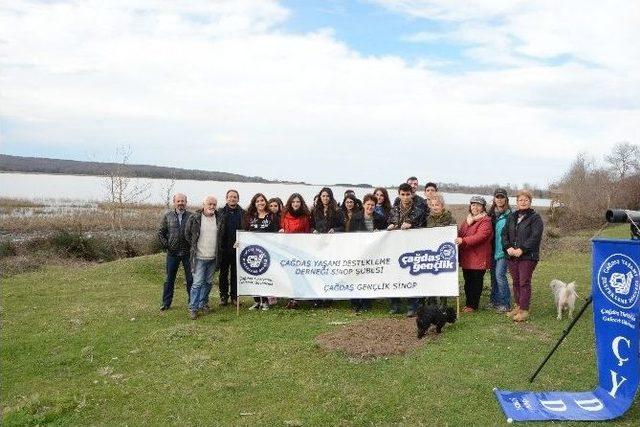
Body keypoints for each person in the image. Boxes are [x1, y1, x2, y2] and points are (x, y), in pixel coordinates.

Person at [502, 189, 543, 322]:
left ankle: (524, 310)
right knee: (515, 282)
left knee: (524, 282)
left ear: (530, 202)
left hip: (527, 256)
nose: (523, 202)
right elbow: (504, 234)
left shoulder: (535, 218)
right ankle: (518, 306)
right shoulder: (511, 216)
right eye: (520, 200)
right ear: (517, 202)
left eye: (526, 200)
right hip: (512, 255)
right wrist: (507, 247)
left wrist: (522, 249)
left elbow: (535, 236)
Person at [387, 183, 425, 316]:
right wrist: (392, 226)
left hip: (412, 249)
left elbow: (423, 230)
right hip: (395, 249)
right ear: (398, 195)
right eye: (402, 194)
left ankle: (412, 306)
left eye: (407, 194)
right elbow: (390, 223)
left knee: (411, 276)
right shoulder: (393, 210)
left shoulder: (419, 211)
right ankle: (395, 305)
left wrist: (412, 225)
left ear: (412, 194)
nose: (405, 197)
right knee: (394, 276)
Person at [349, 193, 387, 312]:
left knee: (369, 277)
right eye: (368, 204)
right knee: (356, 276)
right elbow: (349, 236)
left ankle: (366, 302)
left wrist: (379, 232)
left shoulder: (380, 218)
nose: (370, 207)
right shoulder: (355, 218)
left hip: (373, 253)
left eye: (373, 205)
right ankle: (355, 302)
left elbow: (385, 235)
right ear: (364, 205)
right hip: (358, 252)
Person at [455, 196, 493, 313]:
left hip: (478, 257)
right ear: (470, 206)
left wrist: (464, 241)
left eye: (478, 205)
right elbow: (460, 233)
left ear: (483, 208)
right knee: (468, 282)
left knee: (476, 282)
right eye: (473, 205)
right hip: (467, 257)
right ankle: (468, 304)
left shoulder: (486, 221)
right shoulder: (467, 220)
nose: (475, 207)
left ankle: (473, 305)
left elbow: (481, 236)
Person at [184, 196, 219, 320]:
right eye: (209, 204)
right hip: (199, 257)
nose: (212, 206)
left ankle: (203, 303)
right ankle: (193, 308)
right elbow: (187, 234)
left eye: (214, 204)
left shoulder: (219, 218)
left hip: (213, 257)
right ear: (203, 204)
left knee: (208, 283)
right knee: (197, 283)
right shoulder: (195, 218)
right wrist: (194, 246)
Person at [158, 193, 193, 311]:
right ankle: (166, 303)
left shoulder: (191, 216)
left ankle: (192, 302)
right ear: (174, 202)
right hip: (172, 253)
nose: (180, 203)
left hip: (188, 253)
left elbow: (196, 233)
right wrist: (167, 246)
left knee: (191, 279)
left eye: (183, 201)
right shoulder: (167, 216)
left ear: (186, 202)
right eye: (178, 201)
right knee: (169, 279)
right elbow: (160, 233)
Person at [244, 193, 279, 311]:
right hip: (252, 252)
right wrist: (239, 242)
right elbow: (244, 232)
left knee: (264, 275)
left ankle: (265, 302)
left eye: (262, 200)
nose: (260, 203)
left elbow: (275, 233)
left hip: (267, 252)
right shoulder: (250, 216)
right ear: (254, 203)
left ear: (266, 202)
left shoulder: (272, 216)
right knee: (253, 275)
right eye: (257, 201)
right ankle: (256, 301)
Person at [311, 187, 343, 308]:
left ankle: (329, 297)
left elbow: (342, 226)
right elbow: (311, 226)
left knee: (329, 271)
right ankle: (318, 298)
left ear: (331, 197)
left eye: (327, 196)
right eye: (323, 196)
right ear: (320, 197)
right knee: (318, 271)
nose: (325, 198)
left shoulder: (337, 210)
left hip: (331, 245)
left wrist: (335, 230)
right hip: (318, 245)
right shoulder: (315, 210)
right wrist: (313, 230)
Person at [279, 193, 312, 309]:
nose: (295, 204)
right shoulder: (284, 216)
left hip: (300, 249)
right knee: (289, 274)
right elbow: (281, 229)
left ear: (301, 203)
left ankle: (298, 298)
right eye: (293, 202)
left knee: (300, 274)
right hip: (287, 249)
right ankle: (291, 298)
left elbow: (307, 233)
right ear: (290, 203)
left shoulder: (305, 216)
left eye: (298, 202)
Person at [217, 189, 245, 307]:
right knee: (223, 274)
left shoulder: (243, 213)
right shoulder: (220, 212)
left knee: (235, 274)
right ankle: (223, 296)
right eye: (230, 197)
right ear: (226, 198)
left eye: (235, 197)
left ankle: (234, 296)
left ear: (238, 199)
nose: (232, 199)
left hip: (237, 249)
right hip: (223, 248)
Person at [489, 188, 512, 313]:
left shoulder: (510, 215)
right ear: (494, 199)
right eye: (497, 197)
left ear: (506, 199)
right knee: (494, 277)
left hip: (503, 251)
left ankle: (505, 303)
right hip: (492, 250)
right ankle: (494, 300)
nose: (499, 199)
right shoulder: (491, 214)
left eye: (502, 197)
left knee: (500, 275)